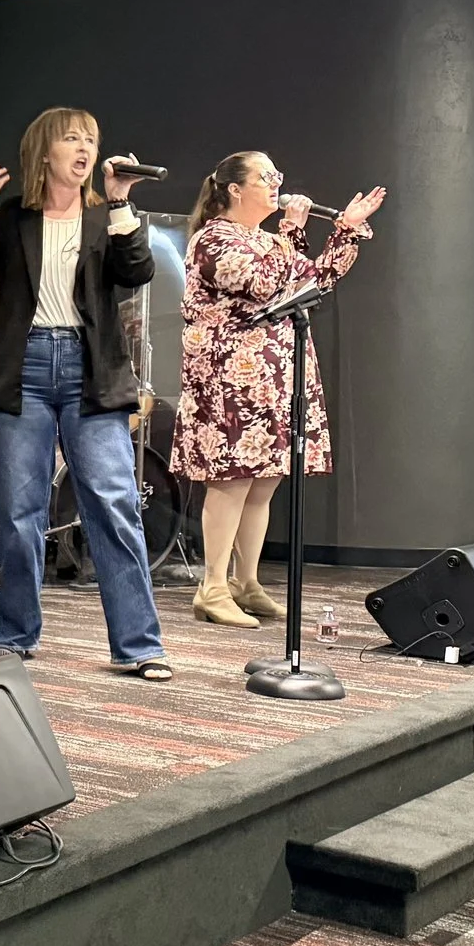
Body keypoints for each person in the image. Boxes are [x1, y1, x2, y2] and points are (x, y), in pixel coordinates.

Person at [0, 109, 169, 677]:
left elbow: (136, 273)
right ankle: (16, 636)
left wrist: (119, 203)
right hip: (26, 369)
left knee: (113, 504)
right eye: (71, 139)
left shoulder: (103, 215)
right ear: (45, 152)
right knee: (18, 511)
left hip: (91, 372)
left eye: (90, 139)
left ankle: (139, 646)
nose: (84, 148)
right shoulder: (15, 219)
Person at [172, 153, 386, 626]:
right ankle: (211, 586)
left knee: (262, 485)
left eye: (278, 178)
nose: (276, 185)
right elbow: (265, 282)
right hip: (230, 378)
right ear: (234, 189)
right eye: (266, 178)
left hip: (273, 377)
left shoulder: (265, 240)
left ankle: (245, 582)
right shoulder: (213, 239)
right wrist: (292, 230)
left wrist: (345, 229)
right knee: (231, 484)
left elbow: (315, 279)